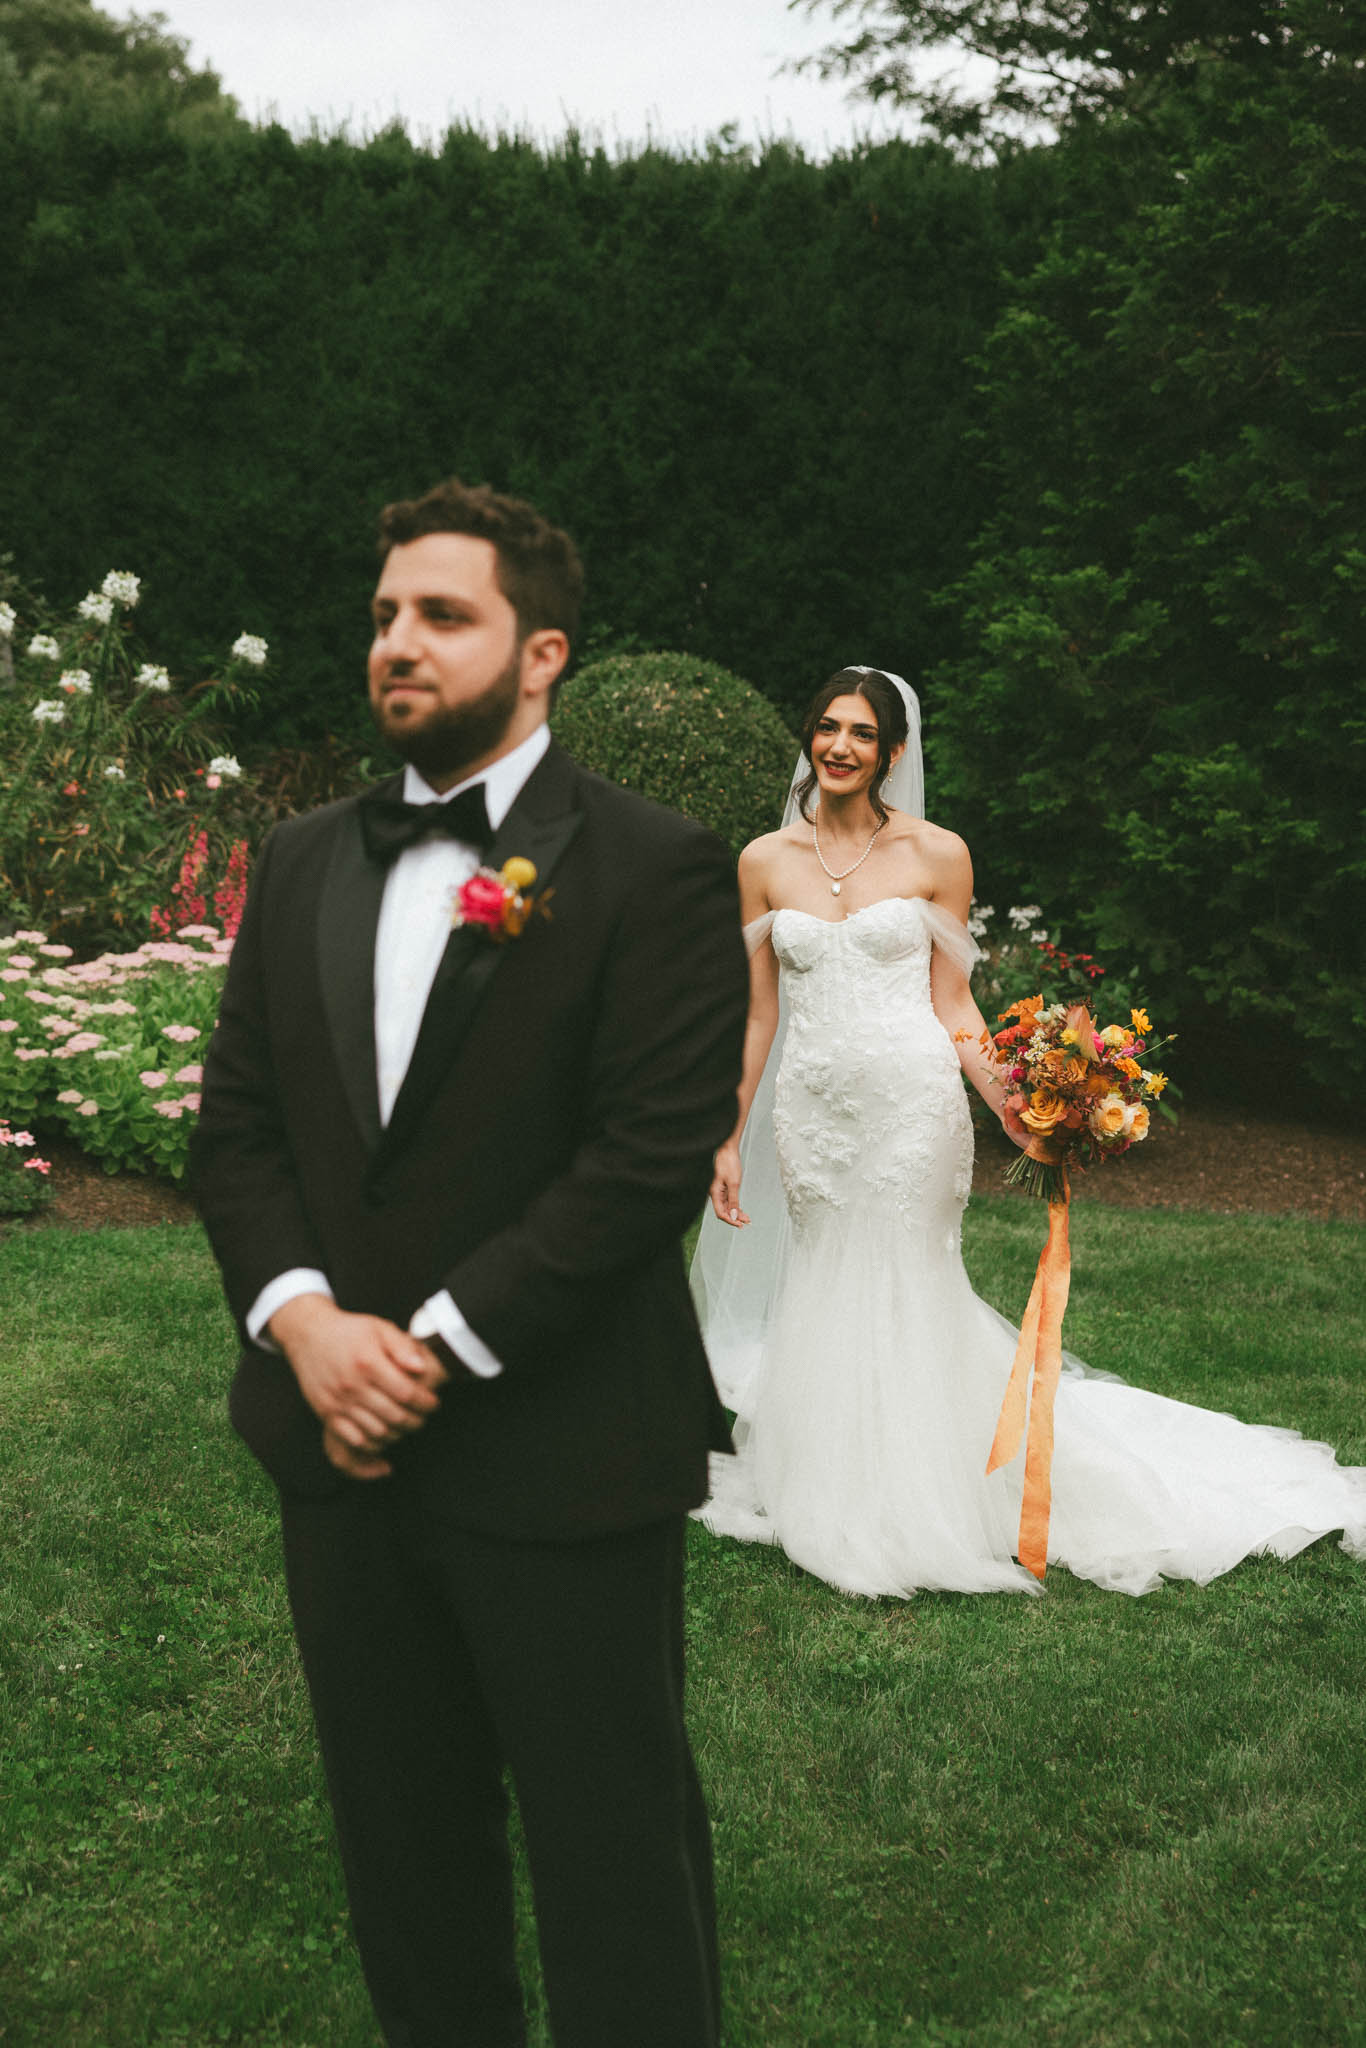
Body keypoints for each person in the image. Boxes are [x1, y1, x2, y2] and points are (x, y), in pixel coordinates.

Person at [191, 479, 749, 2048]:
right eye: (383, 616)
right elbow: (236, 1132)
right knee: (403, 1852)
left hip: (565, 1453)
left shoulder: (653, 868)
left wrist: (425, 1346)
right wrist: (306, 1330)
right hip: (339, 1464)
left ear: (543, 652)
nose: (397, 644)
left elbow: (646, 1160)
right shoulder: (299, 859)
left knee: (611, 1851)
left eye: (442, 616)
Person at [691, 666, 1366, 1599]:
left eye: (860, 732)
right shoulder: (763, 860)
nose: (838, 746)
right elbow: (759, 1016)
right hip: (813, 1113)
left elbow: (954, 1002)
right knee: (826, 1278)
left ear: (892, 751)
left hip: (911, 1108)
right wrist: (729, 1135)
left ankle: (924, 1492)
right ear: (809, 738)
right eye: (825, 727)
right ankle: (829, 1474)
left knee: (908, 1277)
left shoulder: (938, 854)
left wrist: (1019, 1104)